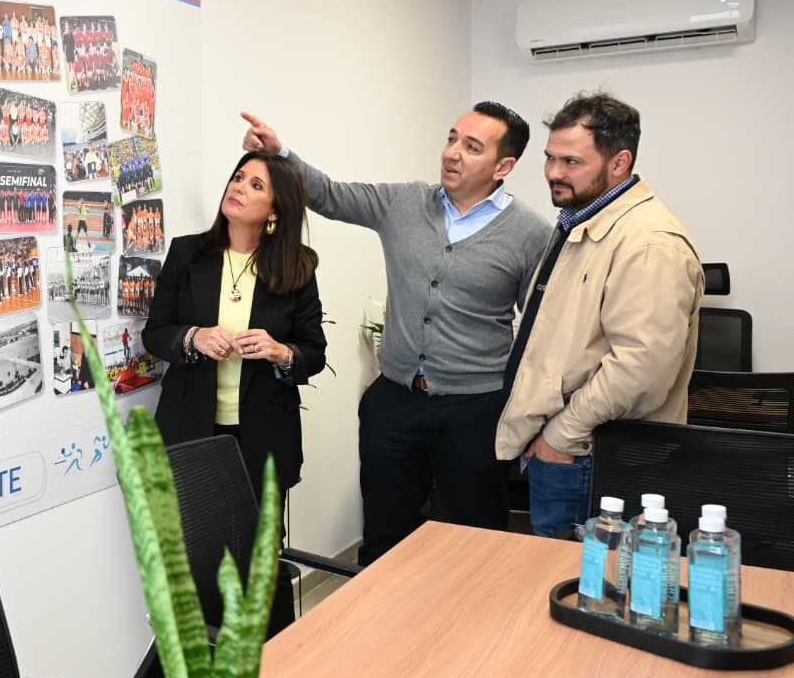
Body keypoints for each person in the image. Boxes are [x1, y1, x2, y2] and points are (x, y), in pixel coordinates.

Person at [242, 104, 549, 566]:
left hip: (476, 409)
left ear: (503, 166)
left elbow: (540, 330)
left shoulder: (531, 234)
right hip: (395, 401)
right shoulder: (404, 203)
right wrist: (281, 153)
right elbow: (331, 195)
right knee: (384, 538)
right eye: (452, 138)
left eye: (471, 147)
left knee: (478, 538)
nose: (452, 153)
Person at [495, 92, 704, 537]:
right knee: (557, 573)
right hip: (569, 449)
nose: (553, 172)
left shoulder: (649, 243)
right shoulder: (582, 219)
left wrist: (559, 437)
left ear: (619, 162)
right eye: (550, 158)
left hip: (590, 455)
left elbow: (641, 369)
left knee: (583, 576)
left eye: (571, 161)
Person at [143, 151, 327, 634]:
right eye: (238, 177)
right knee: (196, 560)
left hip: (263, 439)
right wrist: (192, 338)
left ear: (275, 211)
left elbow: (313, 353)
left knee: (259, 563)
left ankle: (274, 659)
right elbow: (155, 333)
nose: (239, 187)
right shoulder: (188, 254)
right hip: (192, 435)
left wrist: (280, 351)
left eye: (256, 185)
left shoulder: (297, 268)